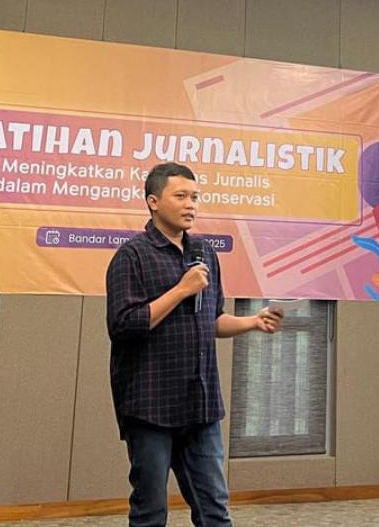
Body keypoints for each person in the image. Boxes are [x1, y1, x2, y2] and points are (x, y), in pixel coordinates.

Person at [106, 162, 283, 527]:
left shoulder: (203, 253)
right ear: (153, 202)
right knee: (150, 513)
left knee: (215, 512)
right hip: (151, 406)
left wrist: (252, 322)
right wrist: (181, 289)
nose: (191, 205)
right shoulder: (132, 256)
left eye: (195, 197)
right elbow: (124, 326)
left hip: (200, 406)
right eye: (181, 196)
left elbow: (211, 320)